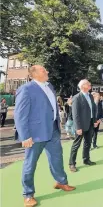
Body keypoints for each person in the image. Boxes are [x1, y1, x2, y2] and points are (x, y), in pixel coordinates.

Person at [14, 65, 75, 207]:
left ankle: (61, 182)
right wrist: (25, 136)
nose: (47, 71)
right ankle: (28, 194)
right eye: (43, 70)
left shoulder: (49, 86)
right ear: (34, 74)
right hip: (35, 134)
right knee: (30, 163)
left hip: (52, 130)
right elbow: (20, 114)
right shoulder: (26, 89)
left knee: (57, 158)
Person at [69, 79, 98, 172]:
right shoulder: (77, 98)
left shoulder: (90, 96)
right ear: (82, 86)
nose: (90, 85)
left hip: (90, 123)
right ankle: (72, 163)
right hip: (81, 125)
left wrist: (94, 120)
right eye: (88, 84)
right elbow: (75, 114)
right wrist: (78, 127)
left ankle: (86, 159)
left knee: (88, 142)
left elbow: (93, 109)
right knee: (76, 144)